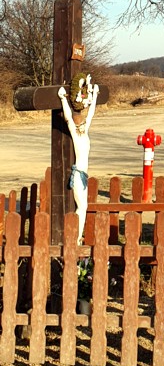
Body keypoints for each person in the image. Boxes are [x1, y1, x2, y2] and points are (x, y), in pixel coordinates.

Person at [58, 74, 99, 243]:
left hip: (84, 175)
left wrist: (94, 96)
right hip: (78, 176)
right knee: (82, 207)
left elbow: (91, 114)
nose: (82, 124)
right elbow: (68, 117)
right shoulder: (76, 134)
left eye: (82, 122)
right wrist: (63, 98)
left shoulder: (84, 131)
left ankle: (77, 237)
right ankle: (75, 238)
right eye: (79, 123)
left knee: (83, 207)